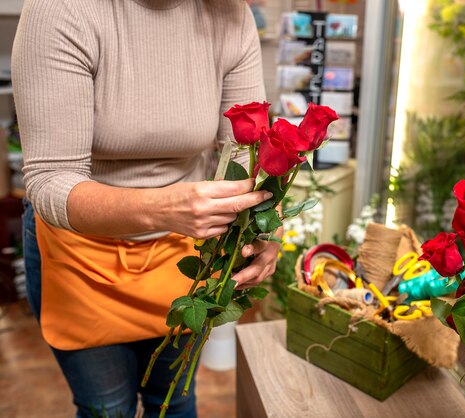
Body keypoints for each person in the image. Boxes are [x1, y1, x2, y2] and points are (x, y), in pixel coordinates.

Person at [11, 0, 279, 417]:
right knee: (108, 409)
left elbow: (246, 157)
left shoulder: (229, 13)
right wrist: (165, 207)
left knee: (173, 400)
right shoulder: (62, 9)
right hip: (79, 253)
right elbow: (49, 180)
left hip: (184, 247)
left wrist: (264, 230)